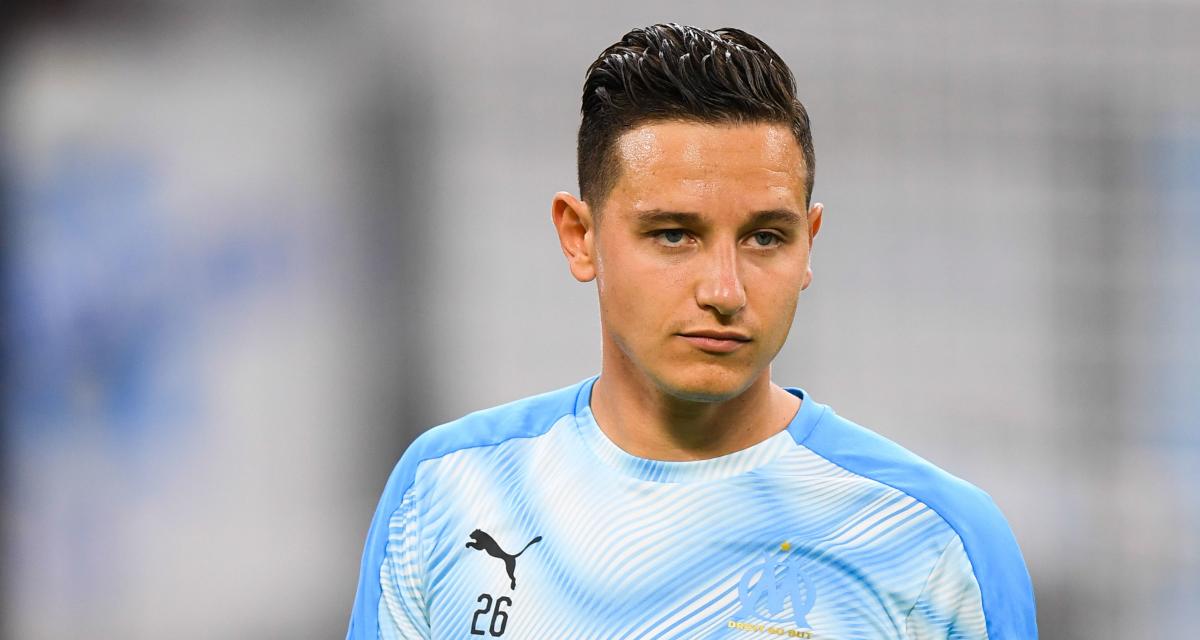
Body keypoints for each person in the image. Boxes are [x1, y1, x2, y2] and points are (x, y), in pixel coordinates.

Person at [347, 23, 1036, 639]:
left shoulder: (934, 540)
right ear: (580, 236)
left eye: (765, 237)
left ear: (810, 244)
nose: (725, 292)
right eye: (674, 234)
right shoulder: (447, 489)